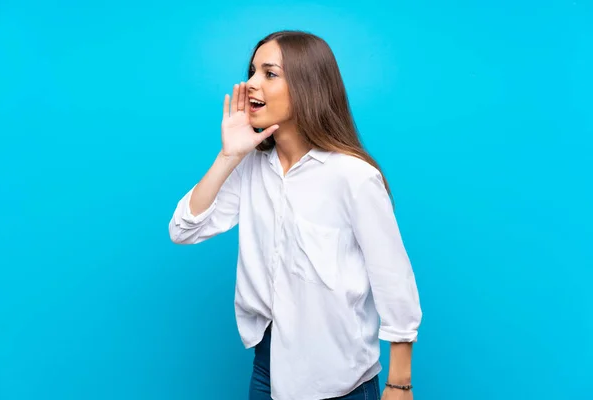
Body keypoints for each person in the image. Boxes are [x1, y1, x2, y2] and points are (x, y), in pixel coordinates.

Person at [168, 30, 422, 400]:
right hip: (267, 367)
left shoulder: (353, 177)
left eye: (269, 74)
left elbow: (393, 281)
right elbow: (183, 229)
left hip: (340, 380)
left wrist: (400, 384)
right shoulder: (251, 166)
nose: (251, 84)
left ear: (307, 86)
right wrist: (229, 156)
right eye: (252, 71)